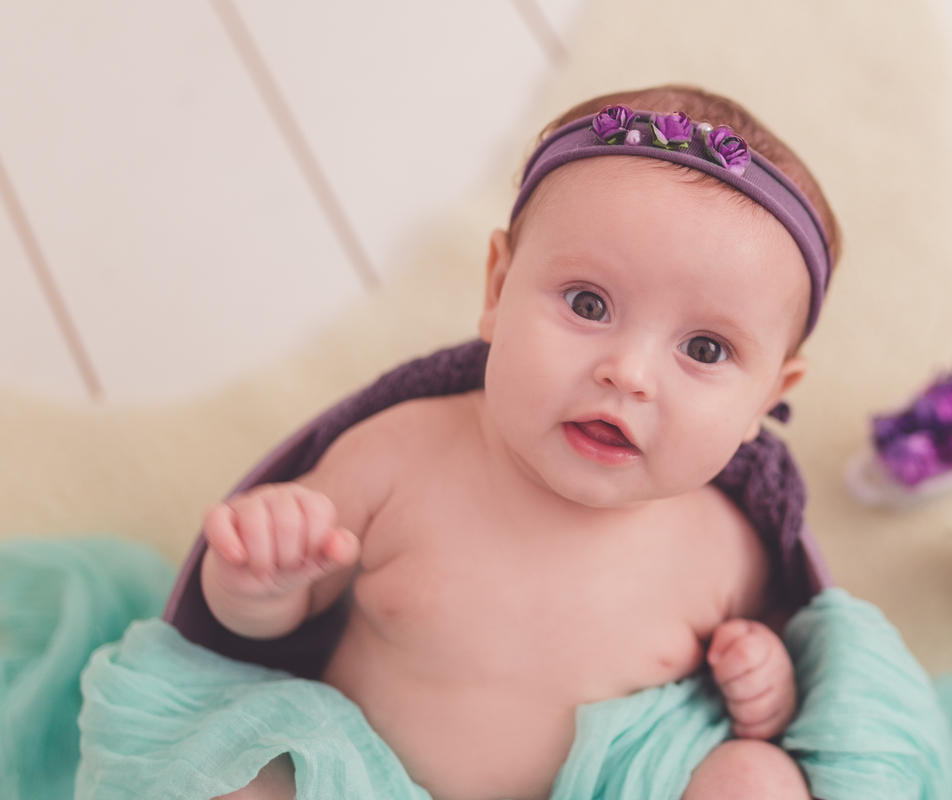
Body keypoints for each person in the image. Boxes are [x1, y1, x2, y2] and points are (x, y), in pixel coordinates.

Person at [200, 85, 842, 800]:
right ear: (498, 289)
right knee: (247, 783)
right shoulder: (401, 452)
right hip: (361, 783)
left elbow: (792, 687)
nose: (628, 374)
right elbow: (262, 624)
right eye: (589, 304)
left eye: (705, 348)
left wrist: (768, 687)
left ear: (768, 399)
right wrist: (254, 580)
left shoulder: (730, 548)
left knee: (758, 778)